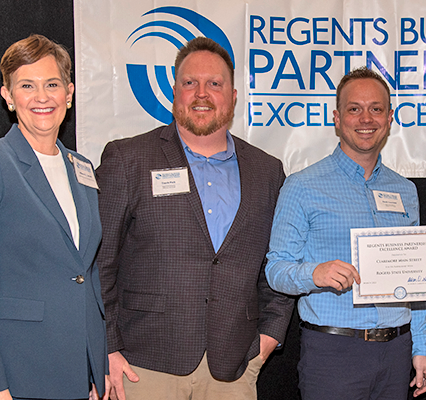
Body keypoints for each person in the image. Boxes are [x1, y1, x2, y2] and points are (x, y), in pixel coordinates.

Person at [95, 37, 292, 400]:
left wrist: (270, 337)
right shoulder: (128, 159)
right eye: (190, 83)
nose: (202, 93)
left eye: (214, 84)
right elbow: (100, 262)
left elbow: (279, 261)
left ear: (233, 96)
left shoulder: (268, 172)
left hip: (233, 368)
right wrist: (106, 348)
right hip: (143, 366)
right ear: (174, 92)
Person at [0, 34, 108, 400]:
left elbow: (87, 273)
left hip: (76, 375)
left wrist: (95, 368)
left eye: (52, 84)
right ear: (8, 96)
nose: (42, 97)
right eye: (27, 85)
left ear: (68, 93)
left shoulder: (82, 168)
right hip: (12, 376)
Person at [265, 67, 426, 399]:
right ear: (337, 119)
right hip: (333, 353)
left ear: (389, 118)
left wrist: (421, 346)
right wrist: (316, 273)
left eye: (376, 109)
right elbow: (276, 269)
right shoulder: (302, 186)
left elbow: (416, 282)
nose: (365, 118)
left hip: (396, 353)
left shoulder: (405, 190)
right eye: (354, 109)